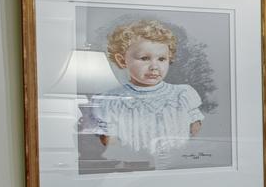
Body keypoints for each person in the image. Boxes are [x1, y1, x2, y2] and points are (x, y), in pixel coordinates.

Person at [83, 19, 203, 165]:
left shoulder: (182, 95)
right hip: (132, 167)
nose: (154, 66)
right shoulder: (111, 101)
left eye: (162, 59)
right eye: (145, 58)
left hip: (177, 166)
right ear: (122, 61)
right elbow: (109, 142)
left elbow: (194, 133)